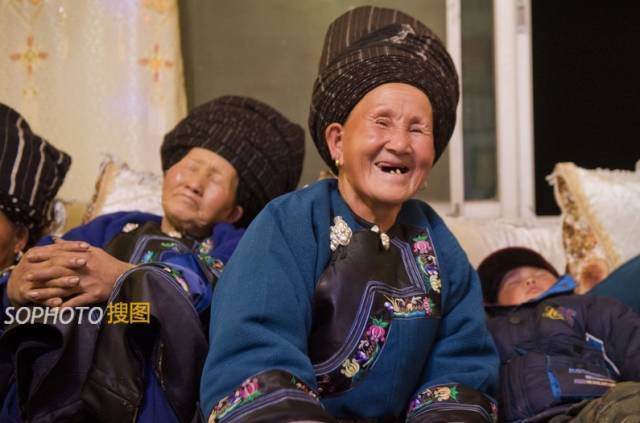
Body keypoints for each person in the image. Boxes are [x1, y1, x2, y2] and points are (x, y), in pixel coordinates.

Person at [199, 6, 499, 422]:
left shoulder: (437, 241)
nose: (400, 144)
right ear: (337, 142)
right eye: (382, 122)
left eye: (417, 128)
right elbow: (254, 352)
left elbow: (463, 362)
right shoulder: (288, 223)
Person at [0, 96, 305, 422]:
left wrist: (126, 280)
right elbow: (49, 259)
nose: (195, 183)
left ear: (234, 211)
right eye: (190, 167)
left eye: (215, 178)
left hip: (151, 367)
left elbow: (221, 287)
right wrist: (18, 284)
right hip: (62, 353)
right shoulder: (114, 225)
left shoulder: (235, 242)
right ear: (170, 171)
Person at [478, 246, 640, 422]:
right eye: (513, 281)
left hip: (593, 408)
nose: (530, 280)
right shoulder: (486, 331)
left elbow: (630, 341)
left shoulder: (588, 305)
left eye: (540, 274)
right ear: (492, 301)